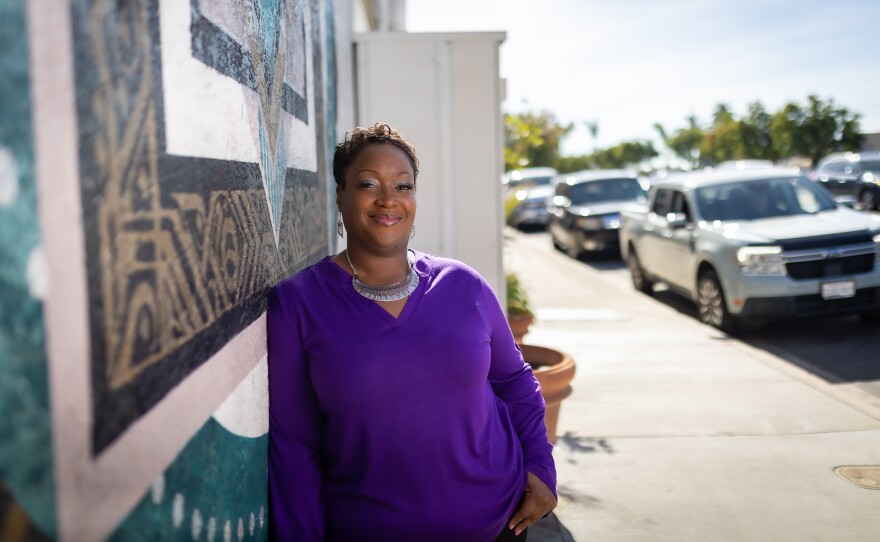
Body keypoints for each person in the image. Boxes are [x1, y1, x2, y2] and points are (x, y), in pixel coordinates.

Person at [267, 123, 557, 541]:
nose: (388, 199)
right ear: (340, 194)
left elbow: (513, 379)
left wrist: (541, 468)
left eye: (403, 186)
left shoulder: (464, 285)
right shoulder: (297, 304)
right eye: (368, 183)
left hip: (499, 524)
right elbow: (294, 445)